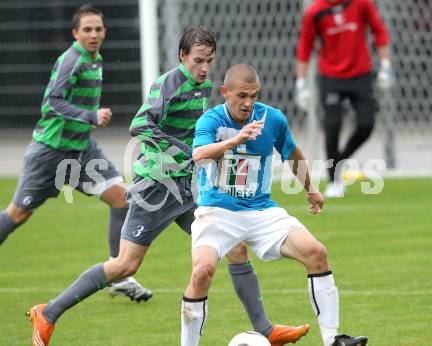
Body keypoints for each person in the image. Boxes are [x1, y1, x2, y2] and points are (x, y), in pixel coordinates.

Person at [28, 26, 308, 346]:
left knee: (235, 247)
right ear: (182, 56)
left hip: (189, 188)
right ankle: (48, 313)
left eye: (209, 61)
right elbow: (141, 126)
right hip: (156, 188)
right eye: (198, 61)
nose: (204, 68)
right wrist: (186, 153)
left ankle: (266, 329)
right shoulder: (169, 83)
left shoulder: (202, 87)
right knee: (125, 265)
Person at [180, 63, 368, 346]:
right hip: (217, 212)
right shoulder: (211, 120)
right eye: (242, 95)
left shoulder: (272, 119)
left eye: (253, 96)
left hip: (261, 211)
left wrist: (311, 189)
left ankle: (333, 339)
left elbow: (291, 152)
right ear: (225, 92)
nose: (248, 103)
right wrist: (235, 140)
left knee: (316, 252)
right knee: (202, 272)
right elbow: (199, 155)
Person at [0, 5, 151, 302]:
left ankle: (118, 274)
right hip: (50, 153)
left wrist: (86, 120)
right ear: (75, 33)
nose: (94, 34)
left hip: (81, 151)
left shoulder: (96, 60)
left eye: (98, 29)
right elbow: (51, 103)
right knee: (18, 214)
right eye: (87, 30)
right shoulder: (72, 60)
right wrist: (90, 115)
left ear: (105, 32)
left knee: (122, 199)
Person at [295, 0, 394, 197]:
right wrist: (301, 83)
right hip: (331, 77)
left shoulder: (361, 4)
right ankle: (333, 181)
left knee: (367, 124)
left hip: (361, 74)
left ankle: (339, 161)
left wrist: (386, 65)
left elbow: (379, 31)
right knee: (333, 126)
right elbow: (305, 46)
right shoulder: (315, 11)